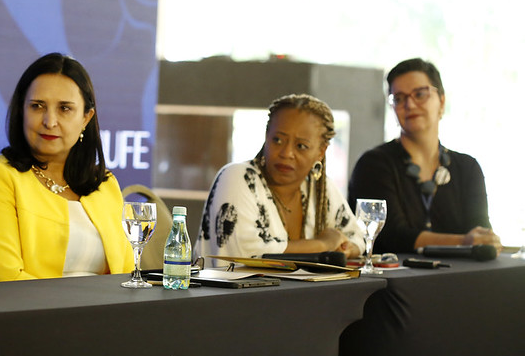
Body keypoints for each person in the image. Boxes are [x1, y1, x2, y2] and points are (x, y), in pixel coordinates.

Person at [0, 53, 133, 281]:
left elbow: (128, 276)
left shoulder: (105, 184)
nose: (49, 121)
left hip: (101, 312)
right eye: (37, 106)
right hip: (20, 313)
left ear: (86, 118)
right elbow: (0, 279)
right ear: (21, 110)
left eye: (64, 108)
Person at [348, 58, 500, 254]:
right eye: (399, 98)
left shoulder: (467, 167)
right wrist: (463, 241)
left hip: (462, 280)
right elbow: (392, 236)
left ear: (442, 101)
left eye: (420, 94)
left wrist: (484, 240)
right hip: (396, 281)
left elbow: (480, 232)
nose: (409, 104)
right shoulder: (373, 164)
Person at [196, 94, 364, 266]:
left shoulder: (319, 187)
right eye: (277, 140)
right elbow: (245, 255)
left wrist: (344, 248)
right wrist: (324, 244)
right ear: (266, 136)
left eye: (301, 146)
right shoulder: (238, 177)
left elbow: (358, 238)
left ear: (321, 152)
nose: (286, 153)